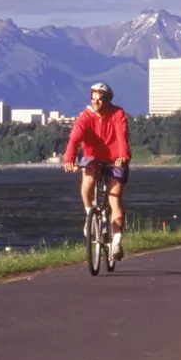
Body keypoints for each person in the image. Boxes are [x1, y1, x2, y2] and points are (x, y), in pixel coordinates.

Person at [63, 81, 131, 259]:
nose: (95, 103)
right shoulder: (85, 117)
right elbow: (74, 139)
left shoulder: (118, 114)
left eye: (99, 100)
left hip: (115, 159)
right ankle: (89, 214)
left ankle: (116, 242)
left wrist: (123, 156)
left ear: (108, 100)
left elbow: (122, 137)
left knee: (114, 198)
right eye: (93, 99)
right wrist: (69, 160)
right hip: (92, 157)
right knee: (88, 180)